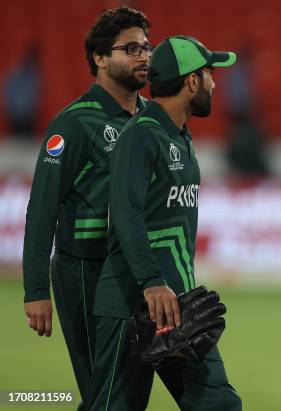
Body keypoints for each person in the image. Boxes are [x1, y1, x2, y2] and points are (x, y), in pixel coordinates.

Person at [90, 35, 242, 410]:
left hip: (181, 307)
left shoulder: (179, 135)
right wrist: (152, 282)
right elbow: (125, 213)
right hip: (132, 303)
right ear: (191, 81)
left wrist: (172, 287)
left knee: (220, 405)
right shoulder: (141, 135)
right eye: (209, 74)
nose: (214, 82)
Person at [22, 6, 151, 409]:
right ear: (99, 58)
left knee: (118, 394)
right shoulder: (73, 124)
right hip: (85, 271)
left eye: (147, 47)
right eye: (130, 48)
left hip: (137, 273)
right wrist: (36, 289)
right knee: (109, 392)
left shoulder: (151, 120)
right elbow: (42, 209)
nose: (144, 56)